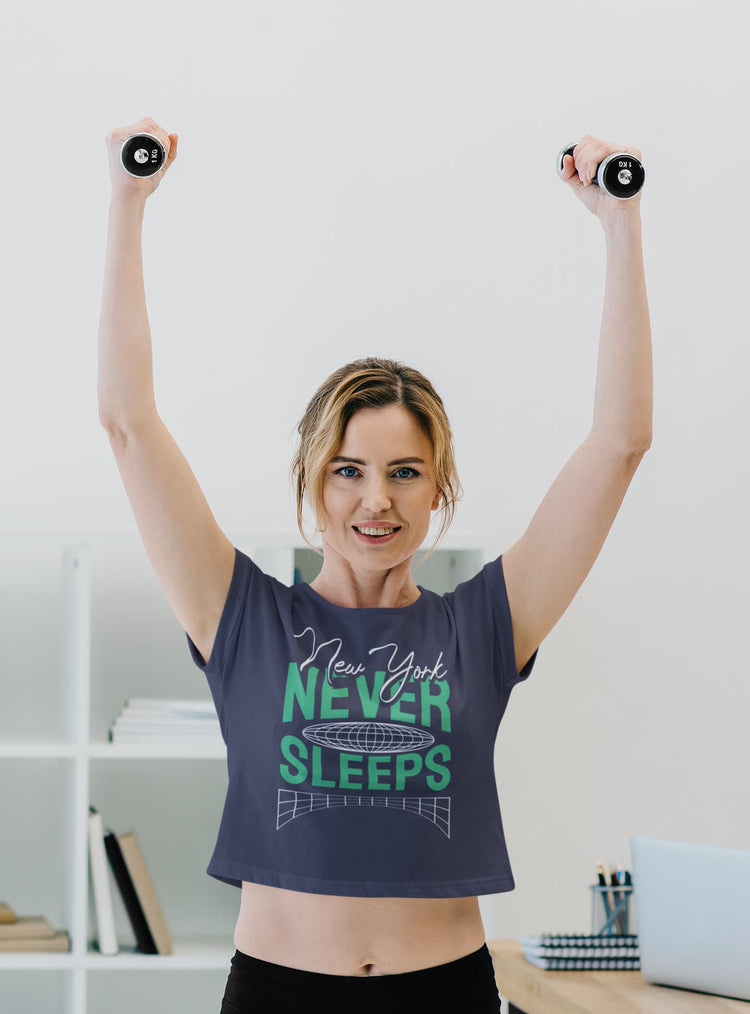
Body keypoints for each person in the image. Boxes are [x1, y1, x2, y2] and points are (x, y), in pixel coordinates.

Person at [98, 118, 652, 1014]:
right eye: (348, 471)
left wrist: (620, 226)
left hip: (446, 994)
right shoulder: (242, 617)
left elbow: (620, 444)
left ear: (438, 491)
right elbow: (128, 422)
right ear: (314, 481)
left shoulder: (482, 625)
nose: (376, 501)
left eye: (405, 474)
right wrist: (128, 203)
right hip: (279, 994)